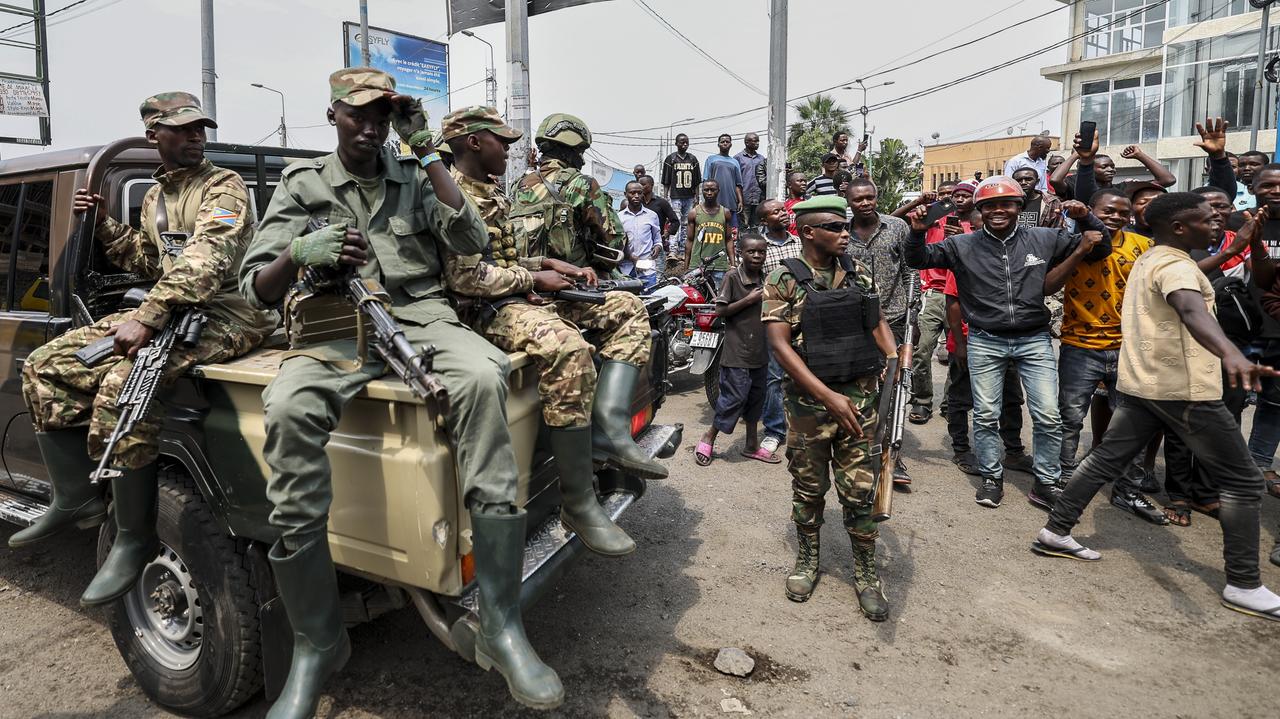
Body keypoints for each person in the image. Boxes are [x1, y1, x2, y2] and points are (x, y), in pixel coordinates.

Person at [238, 71, 562, 713]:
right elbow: (256, 289)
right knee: (288, 406)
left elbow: (471, 239)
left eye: (383, 114)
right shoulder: (304, 184)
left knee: (484, 375)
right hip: (334, 326)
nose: (371, 125)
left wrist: (432, 153)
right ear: (332, 113)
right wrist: (301, 252)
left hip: (422, 317)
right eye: (358, 113)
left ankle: (500, 626)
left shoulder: (413, 172)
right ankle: (316, 642)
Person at [13, 90, 276, 603]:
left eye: (200, 128)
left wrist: (148, 317)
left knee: (125, 381)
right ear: (155, 135)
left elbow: (208, 259)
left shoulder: (223, 186)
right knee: (45, 367)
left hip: (231, 313)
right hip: (177, 310)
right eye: (184, 129)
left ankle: (133, 538)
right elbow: (155, 264)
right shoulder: (156, 197)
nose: (197, 137)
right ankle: (74, 498)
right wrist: (106, 225)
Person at [1032, 192, 1280, 624]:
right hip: (1182, 389)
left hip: (1145, 384)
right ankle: (1244, 584)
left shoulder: (1152, 254)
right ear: (1181, 227)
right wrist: (1231, 355)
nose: (1217, 221)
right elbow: (1188, 308)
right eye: (1207, 218)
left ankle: (1055, 531)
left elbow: (1183, 288)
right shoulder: (1173, 265)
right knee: (1242, 482)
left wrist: (1238, 248)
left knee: (1104, 459)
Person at [441, 105, 661, 554]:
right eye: (501, 140)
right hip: (481, 309)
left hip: (515, 295)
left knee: (627, 308)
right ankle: (577, 502)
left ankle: (610, 430)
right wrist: (533, 278)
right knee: (568, 346)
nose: (512, 149)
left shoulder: (494, 189)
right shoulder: (452, 195)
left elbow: (501, 258)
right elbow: (465, 277)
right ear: (473, 143)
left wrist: (547, 263)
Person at [905, 176, 1111, 510]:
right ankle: (991, 477)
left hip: (1034, 339)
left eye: (1007, 204)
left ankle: (1045, 482)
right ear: (980, 210)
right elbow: (918, 260)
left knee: (1047, 415)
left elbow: (1100, 247)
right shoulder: (962, 246)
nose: (999, 210)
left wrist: (1087, 216)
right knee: (986, 415)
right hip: (986, 340)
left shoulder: (1045, 238)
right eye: (990, 206)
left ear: (1019, 207)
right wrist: (916, 231)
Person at [763, 196, 899, 620]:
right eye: (835, 227)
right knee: (807, 487)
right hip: (809, 404)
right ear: (808, 232)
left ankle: (865, 574)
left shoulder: (857, 273)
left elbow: (876, 323)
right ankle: (807, 561)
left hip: (860, 398)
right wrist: (827, 397)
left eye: (846, 226)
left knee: (860, 491)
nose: (846, 232)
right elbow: (781, 346)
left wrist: (895, 362)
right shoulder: (784, 277)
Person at [1049, 188, 1165, 524]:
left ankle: (1127, 489)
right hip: (1080, 344)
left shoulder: (1144, 246)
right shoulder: (1073, 243)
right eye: (1107, 210)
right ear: (1092, 210)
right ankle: (1066, 481)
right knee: (1070, 418)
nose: (1114, 216)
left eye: (1121, 212)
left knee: (1131, 424)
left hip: (1128, 347)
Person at [1163, 193, 1273, 525]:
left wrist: (1251, 245)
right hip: (1187, 345)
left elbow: (1265, 280)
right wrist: (1232, 250)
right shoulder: (1180, 244)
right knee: (1183, 422)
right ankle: (1179, 494)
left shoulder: (1243, 238)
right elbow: (1185, 278)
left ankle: (1205, 493)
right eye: (1208, 209)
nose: (1216, 214)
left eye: (1222, 207)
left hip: (1237, 347)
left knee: (1225, 420)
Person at [845, 178, 916, 485]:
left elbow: (911, 267)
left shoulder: (897, 227)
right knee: (861, 384)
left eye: (869, 197)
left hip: (896, 316)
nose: (865, 203)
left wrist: (915, 304)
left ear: (877, 197)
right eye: (858, 199)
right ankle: (859, 446)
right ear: (849, 202)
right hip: (855, 321)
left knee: (892, 385)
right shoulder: (842, 233)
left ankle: (889, 455)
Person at [511, 113, 627, 274]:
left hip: (530, 278)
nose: (583, 160)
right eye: (580, 151)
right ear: (569, 150)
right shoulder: (582, 183)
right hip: (577, 279)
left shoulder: (518, 186)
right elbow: (613, 245)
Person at [696, 235, 773, 465]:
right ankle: (709, 437)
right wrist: (749, 299)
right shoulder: (732, 277)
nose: (757, 256)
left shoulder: (766, 278)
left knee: (755, 400)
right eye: (752, 252)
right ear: (741, 253)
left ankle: (751, 445)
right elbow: (721, 310)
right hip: (737, 351)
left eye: (761, 251)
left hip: (760, 351)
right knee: (733, 398)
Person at [944, 269, 1030, 475]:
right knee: (961, 398)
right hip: (968, 341)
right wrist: (960, 343)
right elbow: (952, 302)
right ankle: (961, 450)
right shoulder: (965, 256)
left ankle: (1014, 451)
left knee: (1011, 398)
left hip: (1006, 342)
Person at [759, 199, 802, 462]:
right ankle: (774, 430)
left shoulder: (799, 243)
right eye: (775, 212)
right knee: (774, 377)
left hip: (803, 318)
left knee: (803, 374)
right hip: (774, 321)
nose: (782, 214)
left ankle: (804, 427)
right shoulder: (759, 247)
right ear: (765, 221)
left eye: (783, 210)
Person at [686, 179, 734, 288]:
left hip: (719, 265)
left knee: (719, 297)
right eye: (706, 190)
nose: (709, 193)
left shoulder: (725, 212)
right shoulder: (694, 212)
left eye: (712, 190)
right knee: (698, 298)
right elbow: (689, 240)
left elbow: (728, 239)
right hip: (698, 264)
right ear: (702, 191)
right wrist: (686, 267)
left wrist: (733, 264)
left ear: (718, 191)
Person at [661, 133, 701, 259]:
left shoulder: (693, 159)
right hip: (675, 196)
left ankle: (684, 249)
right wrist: (666, 196)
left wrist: (697, 196)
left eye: (686, 142)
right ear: (676, 143)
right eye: (682, 142)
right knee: (675, 223)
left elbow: (696, 181)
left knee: (686, 223)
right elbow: (666, 180)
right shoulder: (670, 159)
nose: (684, 145)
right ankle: (673, 250)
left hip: (689, 197)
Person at [619, 180, 663, 288]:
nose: (636, 196)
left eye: (639, 193)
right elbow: (617, 244)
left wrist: (657, 248)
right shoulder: (618, 218)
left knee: (650, 300)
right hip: (626, 270)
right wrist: (632, 257)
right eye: (632, 193)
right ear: (625, 195)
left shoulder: (652, 216)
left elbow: (657, 239)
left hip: (647, 269)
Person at [703, 134, 744, 237]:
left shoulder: (735, 162)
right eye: (722, 141)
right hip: (714, 202)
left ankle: (731, 252)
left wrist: (740, 201)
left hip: (731, 202)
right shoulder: (711, 159)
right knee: (714, 232)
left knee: (731, 233)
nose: (725, 143)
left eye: (727, 141)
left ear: (731, 144)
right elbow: (705, 182)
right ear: (718, 144)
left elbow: (738, 184)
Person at [638, 174, 679, 270]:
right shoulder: (638, 203)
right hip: (641, 245)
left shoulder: (661, 203)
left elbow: (675, 221)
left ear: (651, 185)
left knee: (658, 274)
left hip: (656, 245)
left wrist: (667, 234)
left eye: (643, 184)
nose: (641, 187)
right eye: (639, 185)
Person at [735, 132, 767, 227]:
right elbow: (735, 181)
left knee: (757, 227)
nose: (757, 143)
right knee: (743, 227)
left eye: (758, 141)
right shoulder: (738, 158)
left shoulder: (761, 159)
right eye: (755, 141)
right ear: (747, 143)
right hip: (744, 198)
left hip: (758, 198)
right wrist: (739, 199)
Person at [784, 170, 806, 235]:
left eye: (805, 181)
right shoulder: (783, 206)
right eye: (800, 181)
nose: (804, 183)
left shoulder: (809, 203)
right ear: (789, 184)